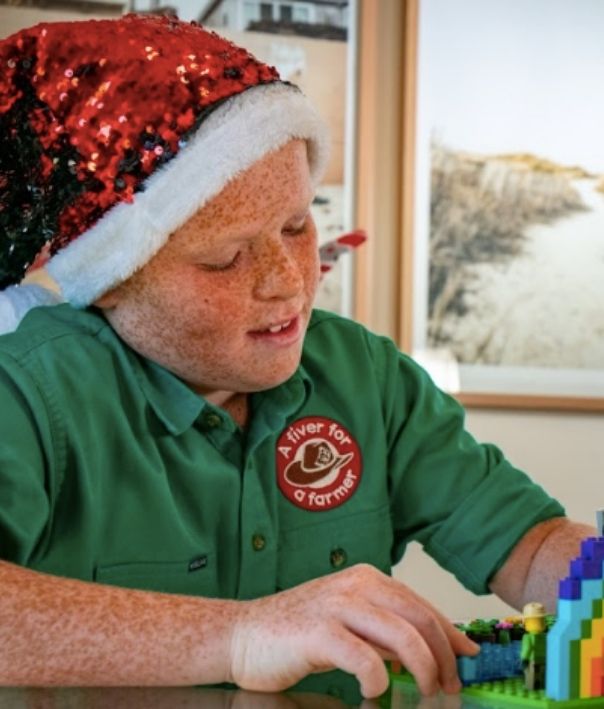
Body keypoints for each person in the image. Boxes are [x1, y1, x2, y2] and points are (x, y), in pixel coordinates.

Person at [0, 14, 594, 699]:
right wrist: (239, 635)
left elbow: (531, 543)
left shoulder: (367, 376)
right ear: (107, 277)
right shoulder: (28, 393)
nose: (288, 280)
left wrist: (594, 582)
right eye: (225, 257)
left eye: (296, 224)